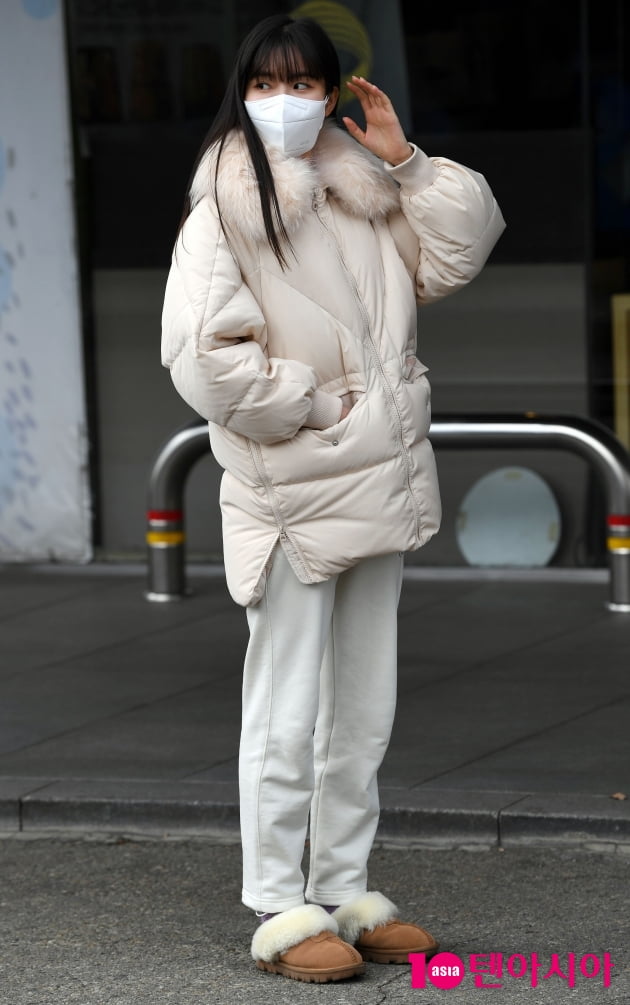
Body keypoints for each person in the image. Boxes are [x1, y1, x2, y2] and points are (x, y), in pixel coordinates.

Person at [162, 13, 505, 984]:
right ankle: (279, 905)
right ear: (243, 95)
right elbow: (200, 361)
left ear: (333, 91)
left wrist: (408, 165)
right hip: (292, 493)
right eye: (267, 85)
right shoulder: (224, 210)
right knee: (285, 708)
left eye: (304, 83)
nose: (287, 103)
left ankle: (345, 890)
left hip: (378, 482)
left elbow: (456, 254)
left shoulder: (362, 192)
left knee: (362, 708)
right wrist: (311, 403)